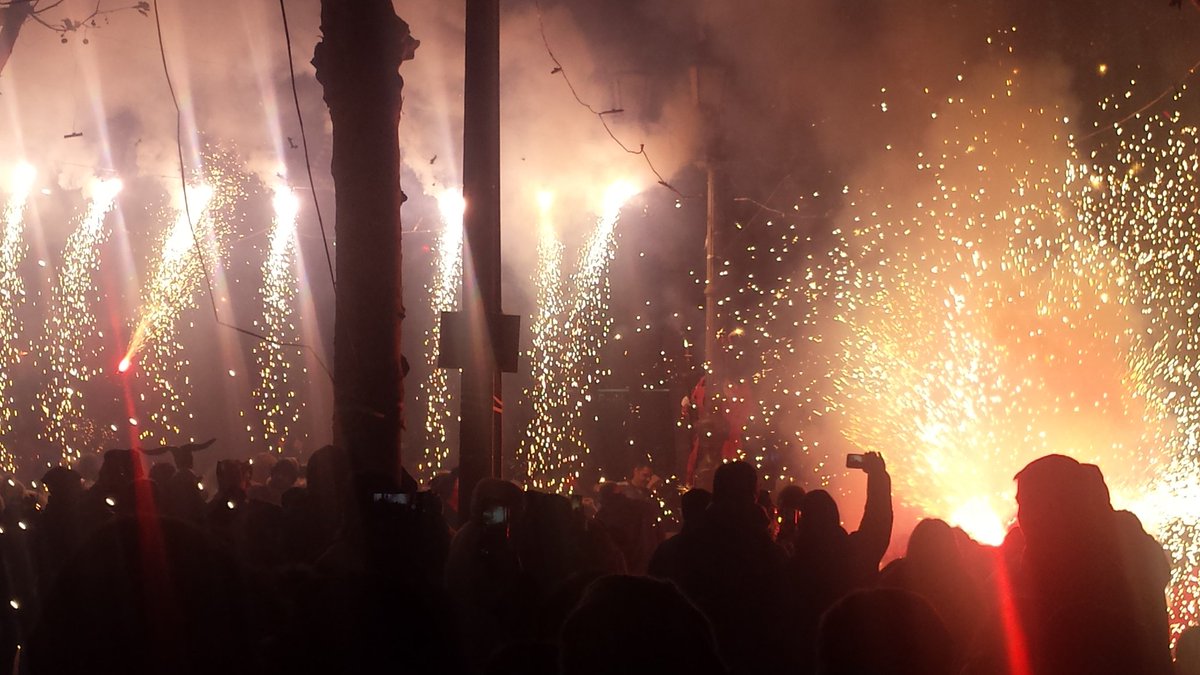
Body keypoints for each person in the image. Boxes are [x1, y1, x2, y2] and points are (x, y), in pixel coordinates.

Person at [788, 451, 893, 672]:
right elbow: (878, 520)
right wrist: (878, 476)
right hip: (854, 655)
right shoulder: (854, 554)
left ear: (802, 521)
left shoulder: (789, 565)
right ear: (834, 517)